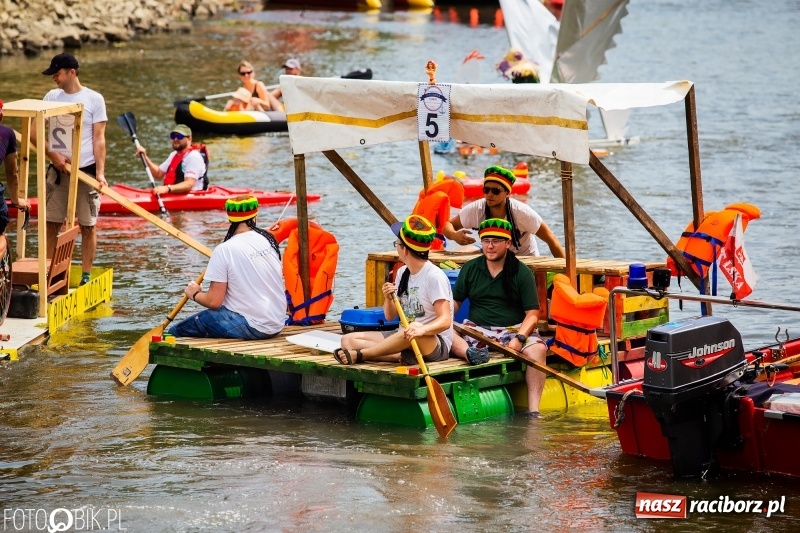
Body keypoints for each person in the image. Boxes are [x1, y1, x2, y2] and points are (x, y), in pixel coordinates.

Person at [450, 218, 547, 419]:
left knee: (538, 349)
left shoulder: (521, 272)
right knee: (446, 330)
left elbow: (533, 314)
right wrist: (441, 319)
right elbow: (456, 303)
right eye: (486, 241)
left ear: (508, 243)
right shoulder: (470, 268)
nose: (490, 246)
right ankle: (469, 353)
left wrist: (519, 338)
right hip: (477, 329)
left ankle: (533, 411)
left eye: (496, 241)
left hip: (513, 329)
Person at [334, 214, 453, 366]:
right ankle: (400, 355)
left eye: (397, 243)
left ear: (405, 250)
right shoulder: (403, 272)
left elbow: (445, 320)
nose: (396, 247)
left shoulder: (434, 276)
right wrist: (388, 299)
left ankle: (363, 354)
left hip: (432, 342)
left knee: (413, 328)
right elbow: (390, 317)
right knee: (348, 340)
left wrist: (422, 330)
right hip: (403, 336)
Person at [34, 53, 107, 286]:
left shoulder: (95, 99)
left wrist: (101, 174)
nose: (54, 77)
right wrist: (53, 156)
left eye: (57, 73)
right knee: (51, 223)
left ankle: (85, 276)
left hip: (85, 171)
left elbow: (99, 139)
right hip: (57, 172)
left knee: (88, 225)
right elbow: (35, 133)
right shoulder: (50, 97)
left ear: (71, 72)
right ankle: (49, 273)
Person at [168, 195, 285, 340]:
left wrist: (194, 294)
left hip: (253, 326)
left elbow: (214, 302)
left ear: (230, 219)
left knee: (175, 332)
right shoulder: (268, 239)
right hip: (277, 324)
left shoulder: (224, 249)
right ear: (255, 215)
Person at [443, 165, 565, 258]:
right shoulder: (477, 208)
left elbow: (551, 240)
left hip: (523, 258)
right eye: (486, 190)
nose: (489, 194)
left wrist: (567, 274)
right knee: (456, 254)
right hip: (492, 256)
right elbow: (448, 225)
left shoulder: (522, 213)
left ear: (507, 193)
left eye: (495, 191)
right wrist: (454, 235)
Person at [135, 124, 208, 196]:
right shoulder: (174, 155)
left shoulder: (193, 156)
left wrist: (167, 188)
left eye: (179, 136)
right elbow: (158, 174)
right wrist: (145, 157)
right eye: (173, 136)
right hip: (174, 193)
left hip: (192, 196)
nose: (175, 139)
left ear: (189, 139)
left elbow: (188, 184)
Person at [0, 98, 32, 259]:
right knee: (0, 234)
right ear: (1, 116)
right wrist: (15, 200)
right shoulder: (6, 133)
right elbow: (12, 173)